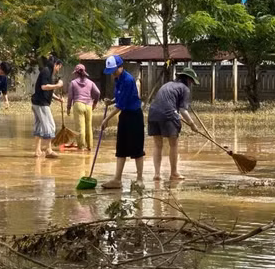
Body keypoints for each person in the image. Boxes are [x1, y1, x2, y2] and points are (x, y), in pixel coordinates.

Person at [101, 55, 145, 188]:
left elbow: (121, 106)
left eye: (114, 70)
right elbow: (120, 97)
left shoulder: (127, 80)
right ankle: (117, 179)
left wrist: (106, 119)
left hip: (134, 116)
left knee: (137, 148)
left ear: (121, 67)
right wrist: (112, 101)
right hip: (125, 116)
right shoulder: (118, 79)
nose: (113, 73)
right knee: (120, 147)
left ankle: (140, 179)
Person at [147, 68, 200, 181]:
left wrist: (176, 114)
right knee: (173, 144)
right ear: (187, 79)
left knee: (157, 144)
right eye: (191, 81)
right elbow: (183, 110)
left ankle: (157, 174)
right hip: (168, 114)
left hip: (153, 113)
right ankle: (174, 173)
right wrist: (192, 125)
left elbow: (168, 103)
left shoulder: (168, 84)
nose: (191, 84)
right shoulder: (184, 89)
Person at [31, 55, 64, 158]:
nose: (59, 69)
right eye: (59, 67)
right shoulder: (46, 71)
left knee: (39, 127)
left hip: (38, 102)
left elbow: (47, 90)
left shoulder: (48, 72)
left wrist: (57, 98)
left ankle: (37, 151)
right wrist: (57, 85)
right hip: (41, 104)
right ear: (56, 65)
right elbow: (44, 87)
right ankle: (48, 150)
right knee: (50, 125)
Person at [67, 64, 100, 150]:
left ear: (76, 73)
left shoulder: (73, 83)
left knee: (80, 128)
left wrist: (68, 108)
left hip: (78, 105)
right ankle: (90, 147)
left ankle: (81, 147)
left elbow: (70, 97)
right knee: (88, 127)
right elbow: (98, 93)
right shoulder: (90, 82)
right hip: (89, 105)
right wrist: (95, 103)